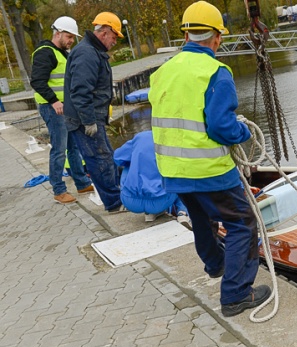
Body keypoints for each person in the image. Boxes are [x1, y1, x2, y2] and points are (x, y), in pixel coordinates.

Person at [148, 1, 270, 317]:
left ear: (187, 34)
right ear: (216, 37)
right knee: (242, 222)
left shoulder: (163, 72)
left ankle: (215, 264)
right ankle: (236, 295)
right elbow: (220, 127)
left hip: (173, 169)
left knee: (201, 218)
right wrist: (244, 134)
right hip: (208, 169)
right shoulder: (216, 72)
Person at [63, 12, 125, 213]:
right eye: (114, 37)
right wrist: (89, 121)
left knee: (106, 157)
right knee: (99, 160)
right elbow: (81, 91)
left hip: (91, 117)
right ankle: (114, 203)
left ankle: (117, 196)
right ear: (105, 32)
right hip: (85, 121)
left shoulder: (92, 51)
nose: (115, 42)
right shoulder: (87, 53)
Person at [30, 16, 94, 204]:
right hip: (53, 108)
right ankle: (59, 190)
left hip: (65, 108)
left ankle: (81, 182)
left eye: (73, 37)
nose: (71, 41)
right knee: (59, 149)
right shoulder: (45, 52)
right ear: (58, 33)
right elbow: (37, 81)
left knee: (73, 147)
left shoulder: (61, 53)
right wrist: (54, 101)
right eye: (69, 36)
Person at [113, 130, 192, 229]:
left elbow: (117, 158)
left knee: (128, 164)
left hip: (130, 201)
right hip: (161, 201)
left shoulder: (140, 137)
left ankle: (150, 212)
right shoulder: (174, 140)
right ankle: (183, 213)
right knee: (181, 175)